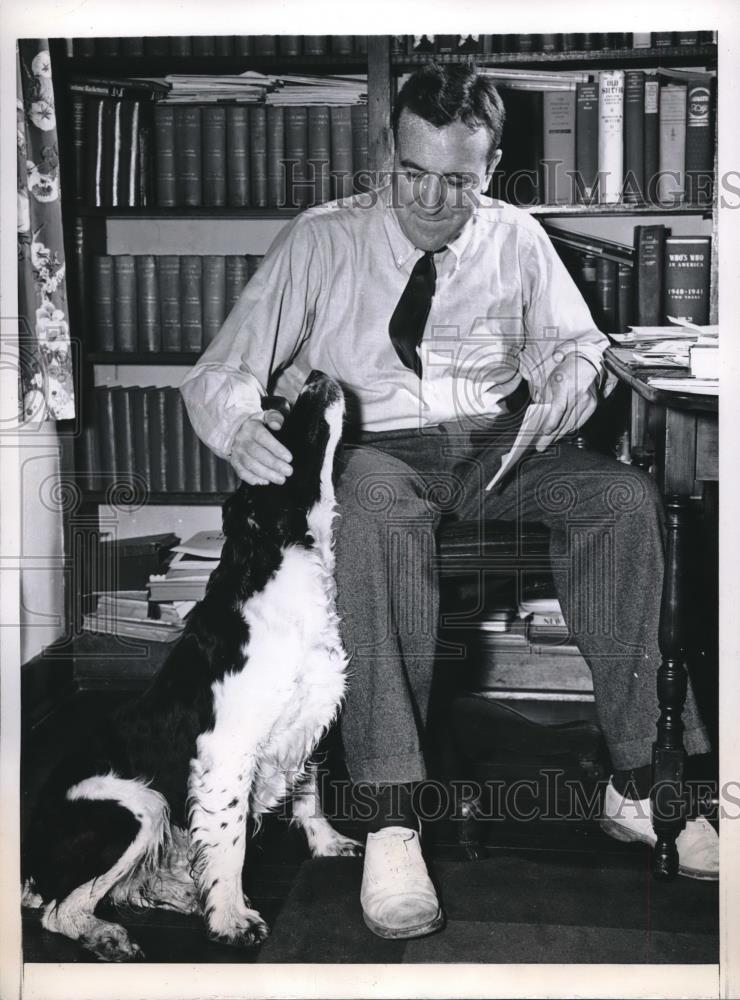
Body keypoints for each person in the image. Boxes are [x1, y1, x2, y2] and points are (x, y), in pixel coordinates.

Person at [181, 62, 718, 940]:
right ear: (388, 154)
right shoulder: (323, 239)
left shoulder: (516, 237)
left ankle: (640, 786)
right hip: (377, 452)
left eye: (458, 179)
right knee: (375, 510)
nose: (432, 199)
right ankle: (393, 816)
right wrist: (238, 422)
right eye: (413, 173)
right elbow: (222, 371)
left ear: (491, 165)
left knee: (621, 500)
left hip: (497, 448)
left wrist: (572, 383)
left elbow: (580, 347)